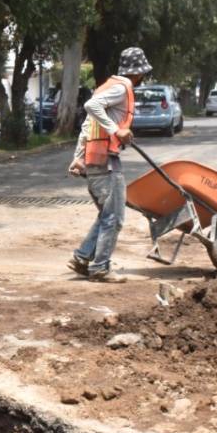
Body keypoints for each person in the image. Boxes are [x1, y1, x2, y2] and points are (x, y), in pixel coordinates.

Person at [66, 46, 153, 283]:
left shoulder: (107, 86)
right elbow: (90, 107)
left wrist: (79, 157)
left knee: (107, 214)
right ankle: (101, 268)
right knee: (114, 218)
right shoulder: (122, 88)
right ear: (139, 73)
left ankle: (83, 257)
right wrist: (116, 129)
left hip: (96, 160)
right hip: (106, 162)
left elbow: (87, 125)